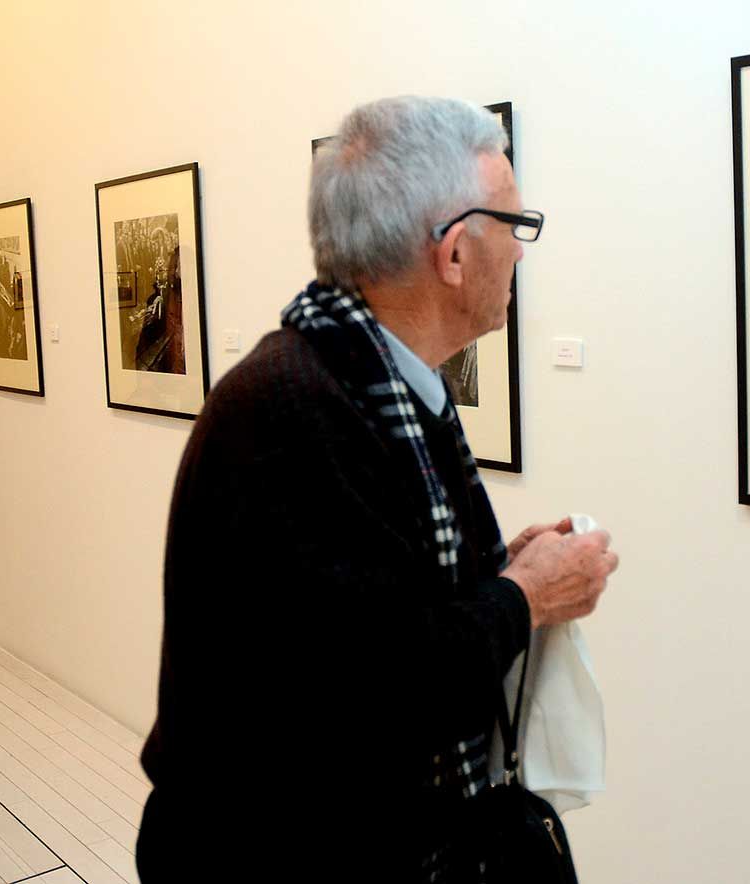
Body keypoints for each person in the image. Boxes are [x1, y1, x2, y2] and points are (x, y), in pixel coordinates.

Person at [135, 96, 620, 882]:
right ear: (456, 253)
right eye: (515, 227)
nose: (523, 254)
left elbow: (373, 608)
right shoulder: (291, 410)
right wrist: (522, 598)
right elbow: (381, 691)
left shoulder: (369, 383)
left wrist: (504, 574)